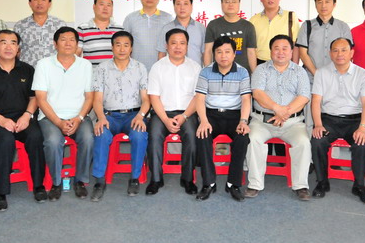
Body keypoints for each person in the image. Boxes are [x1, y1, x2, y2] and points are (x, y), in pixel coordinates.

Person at [0, 30, 47, 211]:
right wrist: (1, 120)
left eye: (13, 43)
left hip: (23, 116)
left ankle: (38, 185)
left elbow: (34, 97)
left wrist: (27, 115)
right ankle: (0, 192)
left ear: (18, 48)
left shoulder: (28, 70)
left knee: (35, 136)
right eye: (3, 42)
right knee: (5, 139)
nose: (8, 47)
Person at [245, 35, 311, 200]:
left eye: (285, 48)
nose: (280, 52)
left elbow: (304, 97)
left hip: (292, 123)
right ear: (270, 51)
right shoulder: (261, 70)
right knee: (252, 139)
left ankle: (301, 186)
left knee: (303, 142)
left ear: (291, 52)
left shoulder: (300, 71)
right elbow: (257, 93)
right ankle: (255, 184)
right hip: (262, 121)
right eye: (276, 48)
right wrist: (277, 109)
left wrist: (284, 114)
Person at [32, 27, 94, 201]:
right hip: (51, 117)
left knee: (88, 139)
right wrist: (59, 122)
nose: (68, 43)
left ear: (77, 44)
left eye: (72, 40)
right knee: (52, 141)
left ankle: (80, 180)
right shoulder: (44, 64)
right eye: (63, 39)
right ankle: (56, 182)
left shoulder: (85, 65)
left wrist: (79, 118)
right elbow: (41, 99)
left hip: (79, 116)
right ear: (55, 43)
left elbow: (90, 97)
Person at [310, 38, 365, 204]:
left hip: (354, 120)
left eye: (344, 50)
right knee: (318, 140)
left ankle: (359, 185)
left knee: (362, 144)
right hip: (329, 119)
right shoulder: (321, 73)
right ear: (330, 54)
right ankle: (322, 182)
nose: (339, 54)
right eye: (335, 50)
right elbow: (316, 101)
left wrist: (363, 127)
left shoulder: (362, 74)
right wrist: (318, 124)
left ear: (352, 53)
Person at [90, 31, 150, 201]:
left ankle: (134, 178)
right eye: (118, 45)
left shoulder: (140, 68)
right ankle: (99, 181)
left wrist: (141, 116)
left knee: (139, 135)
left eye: (126, 45)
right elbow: (97, 99)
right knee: (101, 133)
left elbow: (146, 99)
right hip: (109, 115)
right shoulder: (102, 68)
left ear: (131, 48)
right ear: (112, 47)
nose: (122, 49)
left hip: (133, 115)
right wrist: (101, 118)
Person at [194, 36, 251, 202]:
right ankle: (209, 183)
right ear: (214, 54)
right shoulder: (205, 71)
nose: (223, 56)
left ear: (234, 54)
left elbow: (246, 99)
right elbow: (200, 99)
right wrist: (203, 121)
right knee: (202, 135)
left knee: (242, 137)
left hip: (235, 115)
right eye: (219, 52)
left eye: (227, 52)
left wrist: (243, 121)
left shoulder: (242, 72)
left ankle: (233, 183)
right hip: (211, 115)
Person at [146, 28, 201, 195]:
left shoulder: (195, 67)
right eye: (174, 43)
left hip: (187, 113)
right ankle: (156, 179)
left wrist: (184, 116)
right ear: (166, 45)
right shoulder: (157, 67)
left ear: (187, 46)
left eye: (182, 43)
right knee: (154, 135)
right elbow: (154, 97)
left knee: (191, 135)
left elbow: (198, 97)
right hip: (162, 113)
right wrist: (165, 119)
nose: (178, 47)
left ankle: (187, 179)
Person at [296, 0, 352, 133]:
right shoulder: (307, 25)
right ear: (315, 5)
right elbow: (303, 53)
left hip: (335, 79)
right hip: (311, 78)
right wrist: (317, 74)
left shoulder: (343, 26)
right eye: (319, 2)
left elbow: (347, 53)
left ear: (334, 4)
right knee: (310, 117)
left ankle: (326, 144)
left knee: (331, 114)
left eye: (327, 1)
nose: (323, 5)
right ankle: (310, 144)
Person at [204, 0, 257, 73]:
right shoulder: (213, 25)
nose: (230, 5)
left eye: (234, 2)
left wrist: (255, 75)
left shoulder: (248, 26)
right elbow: (208, 51)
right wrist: (207, 73)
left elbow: (251, 53)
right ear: (222, 4)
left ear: (239, 3)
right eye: (227, 2)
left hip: (242, 75)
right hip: (218, 74)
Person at [123, 0, 172, 71]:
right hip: (135, 69)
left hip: (161, 69)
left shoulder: (167, 18)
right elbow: (125, 43)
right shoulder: (130, 18)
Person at [13, 0, 66, 67]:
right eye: (36, 0)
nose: (40, 3)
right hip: (28, 71)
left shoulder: (59, 25)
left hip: (54, 69)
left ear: (49, 3)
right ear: (30, 3)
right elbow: (15, 51)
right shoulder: (20, 26)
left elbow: (65, 49)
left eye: (43, 0)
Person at [250, 0, 300, 65]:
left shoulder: (290, 16)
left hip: (284, 63)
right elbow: (251, 48)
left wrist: (295, 67)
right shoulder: (254, 20)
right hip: (260, 63)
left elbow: (296, 45)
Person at [156, 0, 206, 65]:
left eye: (185, 4)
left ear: (191, 6)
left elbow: (205, 53)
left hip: (196, 70)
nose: (182, 7)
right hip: (173, 70)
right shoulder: (167, 28)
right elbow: (162, 53)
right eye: (178, 4)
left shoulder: (201, 28)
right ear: (174, 6)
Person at [77, 0, 124, 66]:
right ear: (94, 7)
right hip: (91, 72)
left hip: (114, 72)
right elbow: (76, 55)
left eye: (109, 5)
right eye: (101, 4)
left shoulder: (120, 30)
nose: (105, 8)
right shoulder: (82, 29)